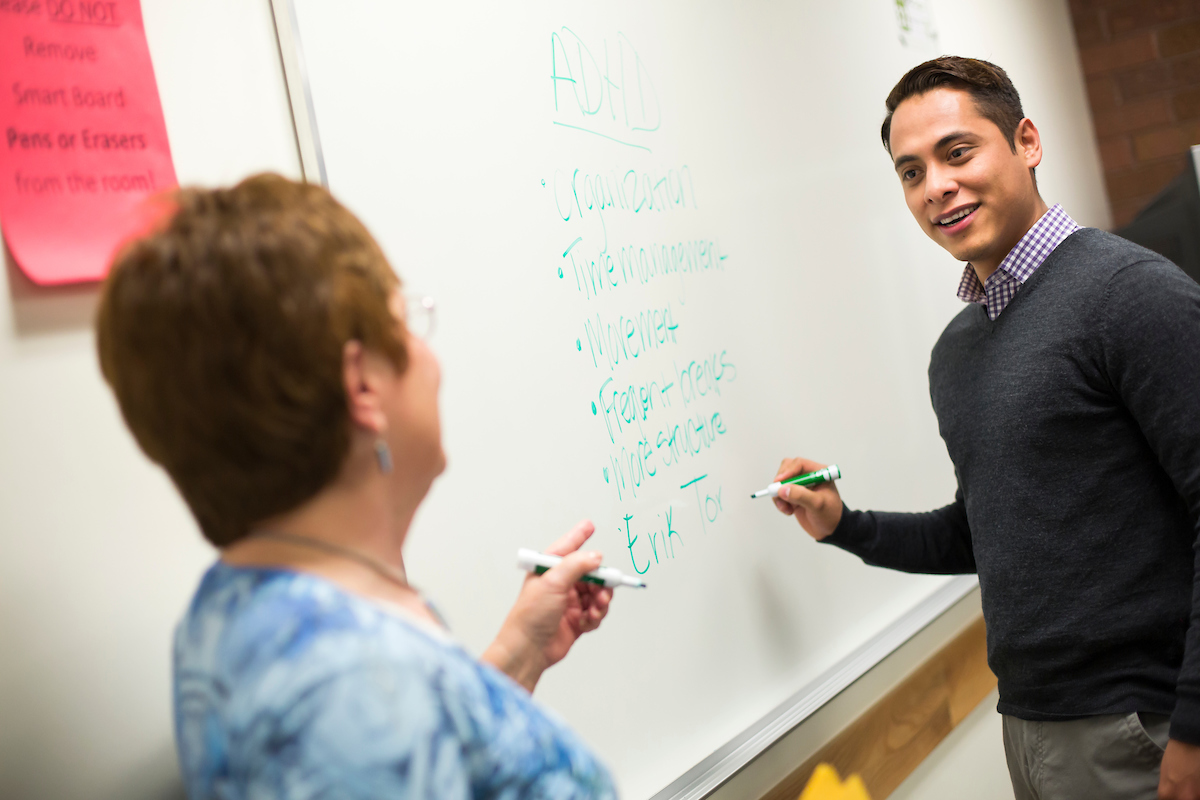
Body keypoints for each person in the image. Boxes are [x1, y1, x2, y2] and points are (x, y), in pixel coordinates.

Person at [96, 174, 618, 799]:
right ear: (363, 383)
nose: (432, 360)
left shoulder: (237, 606)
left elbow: (419, 756)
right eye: (407, 321)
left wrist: (518, 651)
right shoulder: (346, 684)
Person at [772, 57, 1200, 800]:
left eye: (957, 152)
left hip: (1143, 729)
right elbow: (986, 533)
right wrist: (846, 524)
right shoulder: (959, 350)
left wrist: (1193, 728)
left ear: (1027, 142)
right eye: (910, 172)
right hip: (1029, 729)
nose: (935, 186)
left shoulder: (1132, 295)